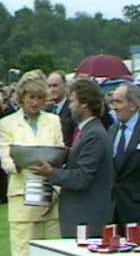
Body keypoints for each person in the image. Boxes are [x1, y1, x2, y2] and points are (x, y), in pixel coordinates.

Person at [0, 70, 63, 256]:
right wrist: (21, 162)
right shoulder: (6, 124)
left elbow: (59, 154)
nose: (35, 102)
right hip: (21, 196)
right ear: (22, 98)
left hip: (49, 196)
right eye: (31, 97)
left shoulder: (54, 121)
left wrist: (50, 173)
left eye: (40, 97)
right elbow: (5, 160)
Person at [30, 78, 114, 238]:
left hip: (86, 218)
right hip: (79, 217)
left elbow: (82, 178)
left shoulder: (94, 135)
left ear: (84, 103)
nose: (69, 105)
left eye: (72, 101)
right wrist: (59, 154)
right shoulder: (86, 132)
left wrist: (50, 172)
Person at [108, 83, 140, 234]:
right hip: (113, 210)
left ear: (133, 105)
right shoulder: (111, 130)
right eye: (112, 102)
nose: (114, 107)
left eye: (118, 102)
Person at [46, 71, 77, 147]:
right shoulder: (47, 110)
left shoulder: (73, 108)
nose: (52, 90)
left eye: (55, 86)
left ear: (65, 86)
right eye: (49, 86)